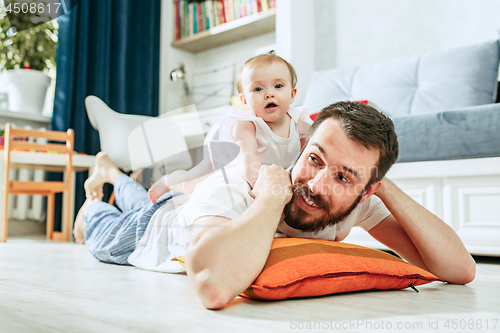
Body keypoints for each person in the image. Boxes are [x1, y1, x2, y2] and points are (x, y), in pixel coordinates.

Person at [75, 101, 476, 310]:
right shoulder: (241, 184)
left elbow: (459, 269)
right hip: (148, 232)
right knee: (103, 225)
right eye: (314, 159)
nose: (315, 185)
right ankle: (97, 194)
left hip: (179, 207)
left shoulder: (360, 203)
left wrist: (385, 189)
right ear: (303, 149)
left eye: (343, 177)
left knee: (138, 197)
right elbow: (213, 286)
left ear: (366, 190)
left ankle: (113, 174)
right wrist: (270, 197)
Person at [147, 53, 312, 203]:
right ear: (245, 101)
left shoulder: (299, 121)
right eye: (258, 89)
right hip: (224, 163)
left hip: (266, 171)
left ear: (292, 94)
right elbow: (247, 156)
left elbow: (306, 154)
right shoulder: (247, 124)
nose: (269, 94)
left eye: (278, 86)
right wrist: (262, 189)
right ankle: (168, 181)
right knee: (190, 184)